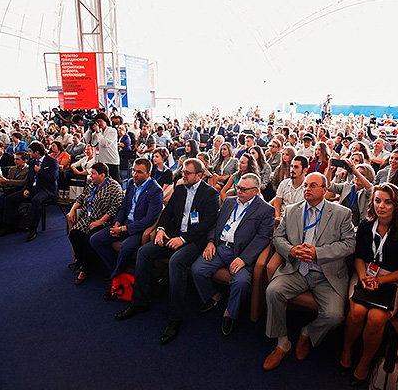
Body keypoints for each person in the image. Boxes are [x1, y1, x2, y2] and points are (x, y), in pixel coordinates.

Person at [114, 158, 220, 345]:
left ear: (199, 176)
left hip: (195, 240)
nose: (182, 175)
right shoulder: (180, 188)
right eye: (182, 171)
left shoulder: (211, 194)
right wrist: (161, 229)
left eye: (187, 173)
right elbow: (168, 212)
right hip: (174, 234)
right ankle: (139, 301)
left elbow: (207, 224)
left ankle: (175, 318)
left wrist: (183, 239)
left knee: (176, 262)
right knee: (144, 252)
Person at [263, 172, 355, 370]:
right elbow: (278, 238)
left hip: (325, 274)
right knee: (272, 291)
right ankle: (282, 342)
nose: (307, 189)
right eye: (305, 185)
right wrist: (291, 250)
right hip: (297, 269)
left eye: (313, 185)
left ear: (325, 189)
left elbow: (349, 245)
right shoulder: (291, 210)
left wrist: (317, 253)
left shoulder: (341, 213)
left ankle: (308, 332)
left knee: (334, 316)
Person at [340, 183, 398, 385]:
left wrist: (380, 280)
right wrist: (363, 277)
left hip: (392, 279)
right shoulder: (366, 226)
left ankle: (365, 362)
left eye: (387, 202)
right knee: (357, 312)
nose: (381, 206)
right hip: (365, 272)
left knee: (376, 318)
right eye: (377, 201)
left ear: (397, 205)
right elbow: (359, 257)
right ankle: (347, 349)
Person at [191, 173, 274, 336]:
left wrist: (244, 259)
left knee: (241, 282)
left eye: (243, 189)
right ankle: (214, 295)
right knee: (197, 270)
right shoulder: (229, 202)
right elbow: (215, 224)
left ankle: (230, 313)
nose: (239, 191)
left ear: (256, 191)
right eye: (238, 188)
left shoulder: (266, 210)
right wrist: (210, 241)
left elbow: (263, 237)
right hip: (221, 247)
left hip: (241, 253)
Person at [90, 158, 163, 285]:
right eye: (133, 170)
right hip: (124, 222)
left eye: (139, 172)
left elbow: (149, 219)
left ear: (148, 174)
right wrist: (117, 223)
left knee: (125, 247)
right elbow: (124, 207)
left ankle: (116, 275)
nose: (134, 174)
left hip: (138, 229)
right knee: (95, 239)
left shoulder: (155, 190)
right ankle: (116, 269)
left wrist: (122, 229)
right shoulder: (130, 183)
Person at [66, 163, 124, 285]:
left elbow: (114, 209)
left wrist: (99, 222)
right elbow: (81, 198)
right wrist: (72, 211)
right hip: (88, 218)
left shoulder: (114, 187)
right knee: (74, 234)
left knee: (89, 237)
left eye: (93, 173)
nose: (90, 176)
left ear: (102, 175)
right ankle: (82, 261)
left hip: (104, 221)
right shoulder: (92, 184)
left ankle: (85, 269)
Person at [0, 141, 59, 242]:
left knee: (36, 200)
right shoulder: (32, 162)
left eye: (30, 151)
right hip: (33, 188)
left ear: (37, 152)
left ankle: (32, 229)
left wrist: (40, 171)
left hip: (47, 189)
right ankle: (9, 226)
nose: (28, 153)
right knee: (9, 199)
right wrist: (26, 188)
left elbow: (52, 178)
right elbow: (29, 179)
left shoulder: (52, 161)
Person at [326, 160, 375, 226]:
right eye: (355, 174)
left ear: (369, 177)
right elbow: (328, 186)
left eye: (362, 174)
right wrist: (329, 169)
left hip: (357, 226)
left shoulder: (367, 192)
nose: (357, 176)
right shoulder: (346, 186)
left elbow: (371, 190)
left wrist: (356, 172)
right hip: (340, 222)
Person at [83, 113, 120, 181]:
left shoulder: (112, 131)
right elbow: (87, 141)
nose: (99, 123)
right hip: (100, 161)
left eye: (100, 121)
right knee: (101, 182)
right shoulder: (97, 133)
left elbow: (104, 143)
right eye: (97, 122)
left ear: (105, 121)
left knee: (114, 182)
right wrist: (89, 130)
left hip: (111, 161)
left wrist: (98, 132)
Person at [273, 155, 308, 227]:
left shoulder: (307, 188)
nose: (292, 170)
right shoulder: (284, 183)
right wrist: (277, 216)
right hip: (282, 219)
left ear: (305, 170)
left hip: (298, 221)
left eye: (296, 167)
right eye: (291, 166)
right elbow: (277, 202)